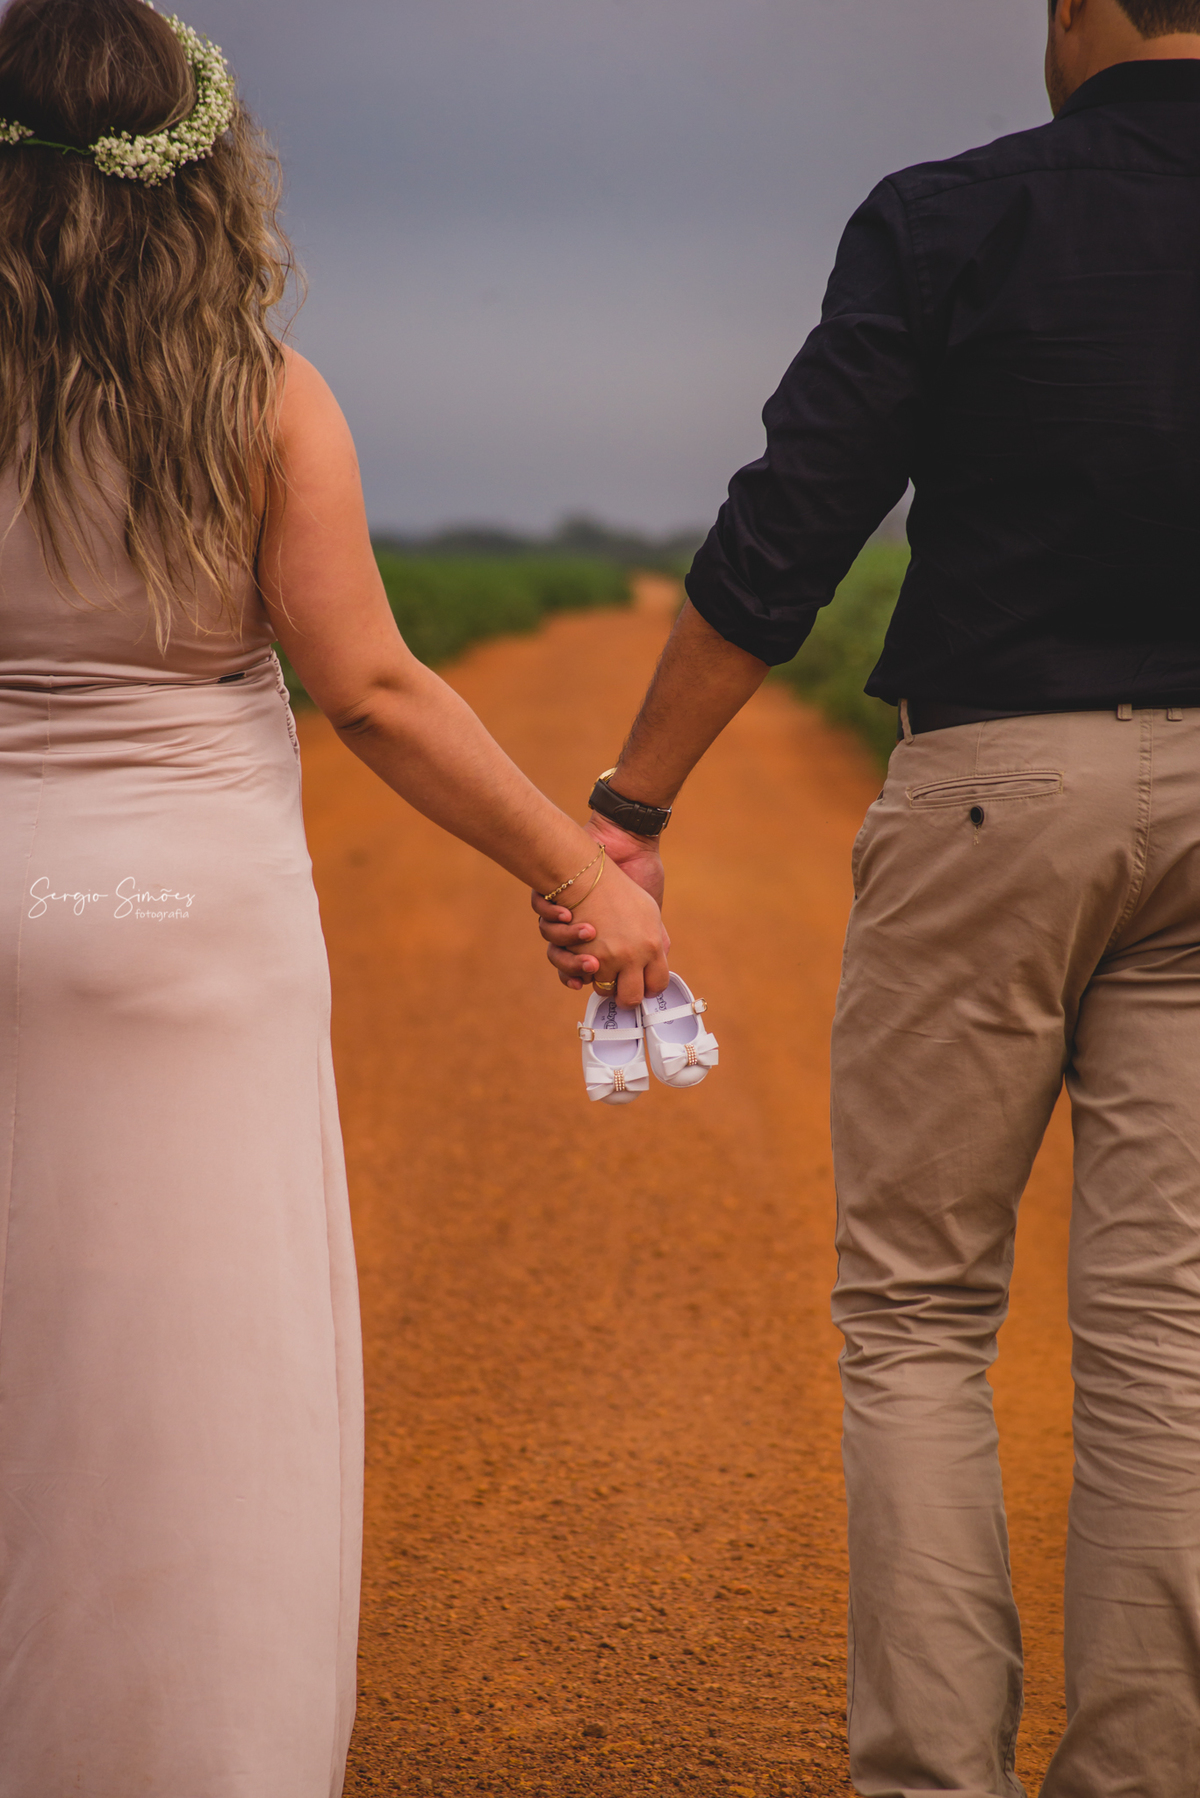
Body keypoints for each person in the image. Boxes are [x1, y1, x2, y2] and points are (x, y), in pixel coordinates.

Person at [0, 3, 666, 1794]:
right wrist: (574, 871)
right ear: (203, 162)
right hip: (193, 922)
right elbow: (370, 689)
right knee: (200, 1366)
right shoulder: (260, 394)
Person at [538, 1, 1200, 1791]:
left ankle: (937, 1778)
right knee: (1173, 1323)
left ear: (1078, 17)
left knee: (918, 1308)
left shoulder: (951, 212)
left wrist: (633, 801)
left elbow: (793, 525)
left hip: (998, 782)